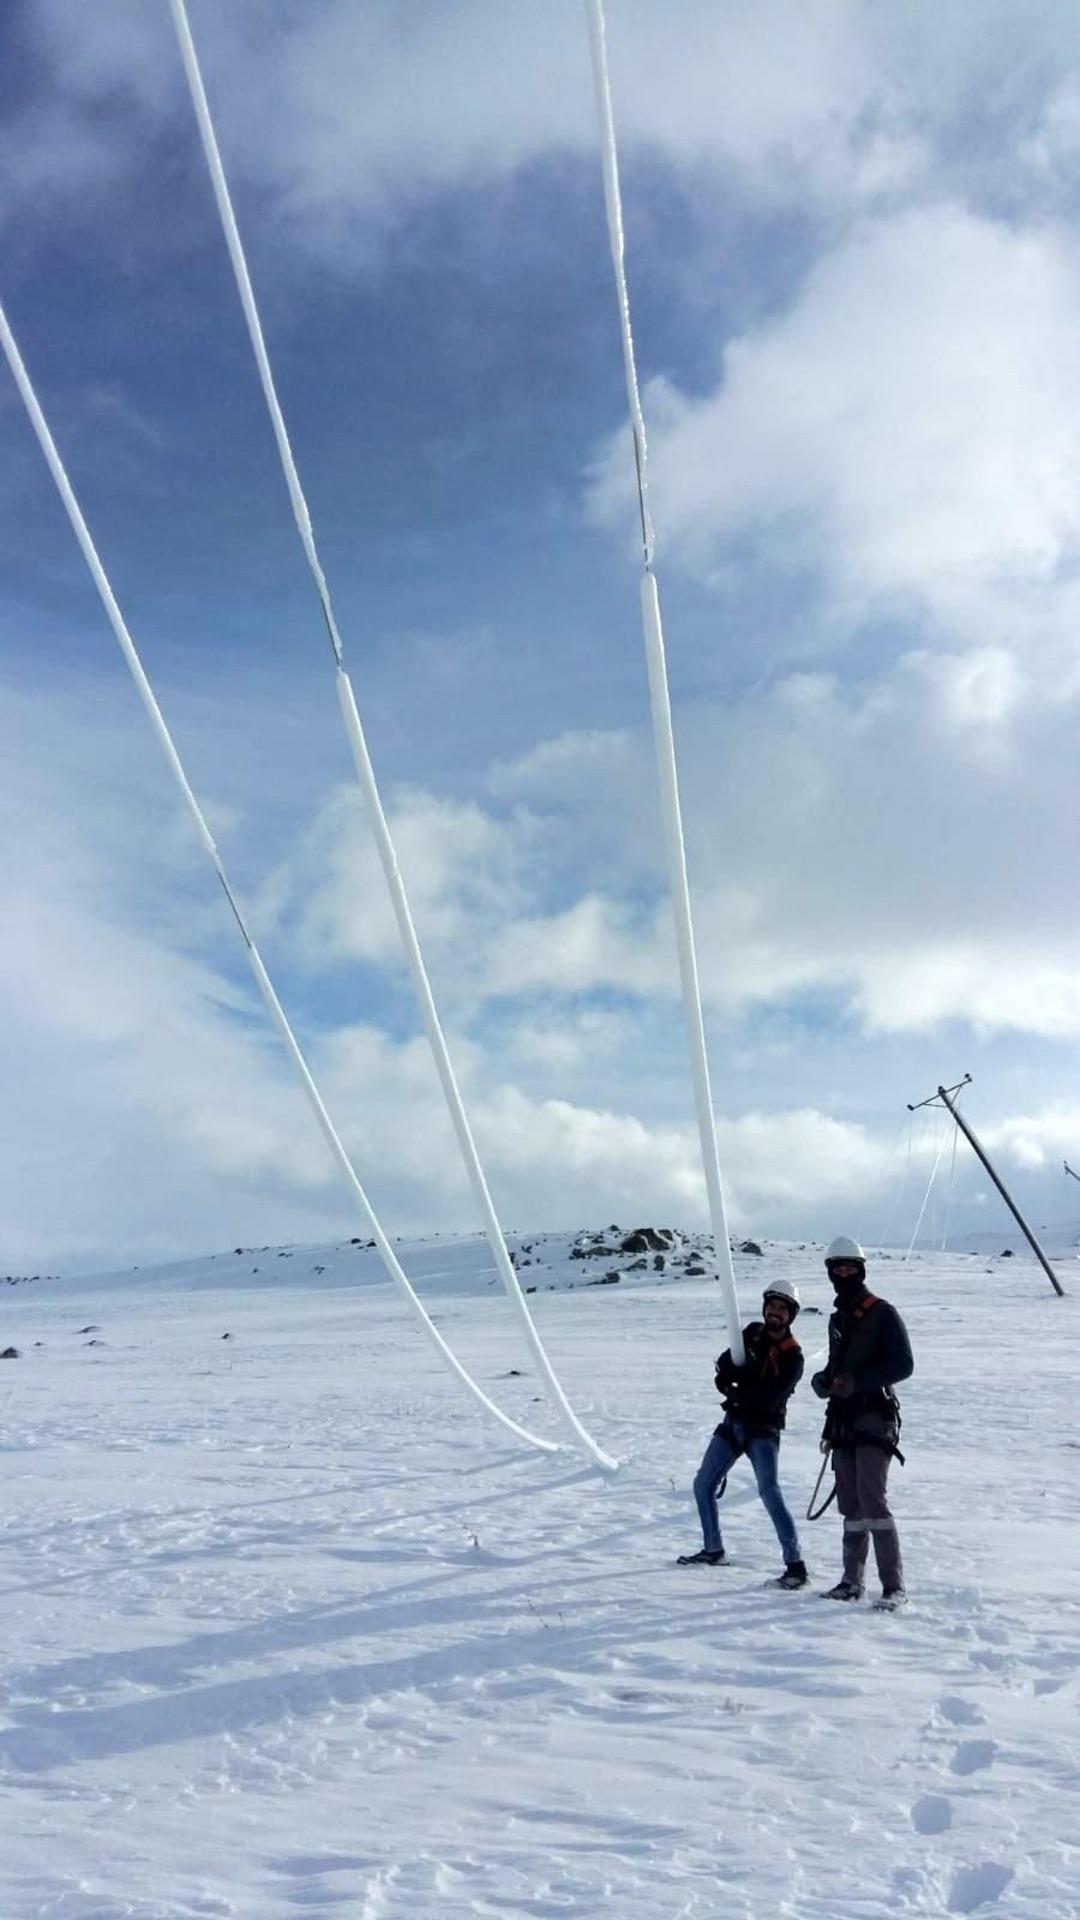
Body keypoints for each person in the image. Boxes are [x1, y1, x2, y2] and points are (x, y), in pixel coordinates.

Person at [677, 1279, 808, 1587]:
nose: (774, 1313)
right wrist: (731, 1383)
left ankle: (796, 1566)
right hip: (733, 1424)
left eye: (781, 1308)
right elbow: (723, 1365)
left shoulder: (793, 1356)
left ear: (791, 1315)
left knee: (769, 1493)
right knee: (702, 1484)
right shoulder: (751, 1332)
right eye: (771, 1306)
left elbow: (767, 1398)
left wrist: (736, 1387)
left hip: (763, 1431)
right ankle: (713, 1549)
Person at [811, 1235, 914, 1609]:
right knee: (851, 1506)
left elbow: (904, 1364)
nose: (843, 1272)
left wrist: (857, 1382)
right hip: (843, 1421)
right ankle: (851, 1582)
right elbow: (839, 1366)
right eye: (837, 1268)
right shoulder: (838, 1318)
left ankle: (893, 1587)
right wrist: (823, 1380)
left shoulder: (882, 1312)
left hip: (874, 1417)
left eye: (849, 1267)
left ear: (860, 1269)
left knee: (873, 1501)